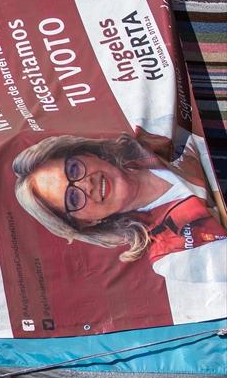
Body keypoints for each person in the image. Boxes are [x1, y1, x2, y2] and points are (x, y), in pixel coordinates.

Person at [12, 131, 226, 323]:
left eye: (74, 169)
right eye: (74, 198)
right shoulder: (171, 255)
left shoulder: (157, 133)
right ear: (85, 223)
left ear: (88, 154)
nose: (87, 184)